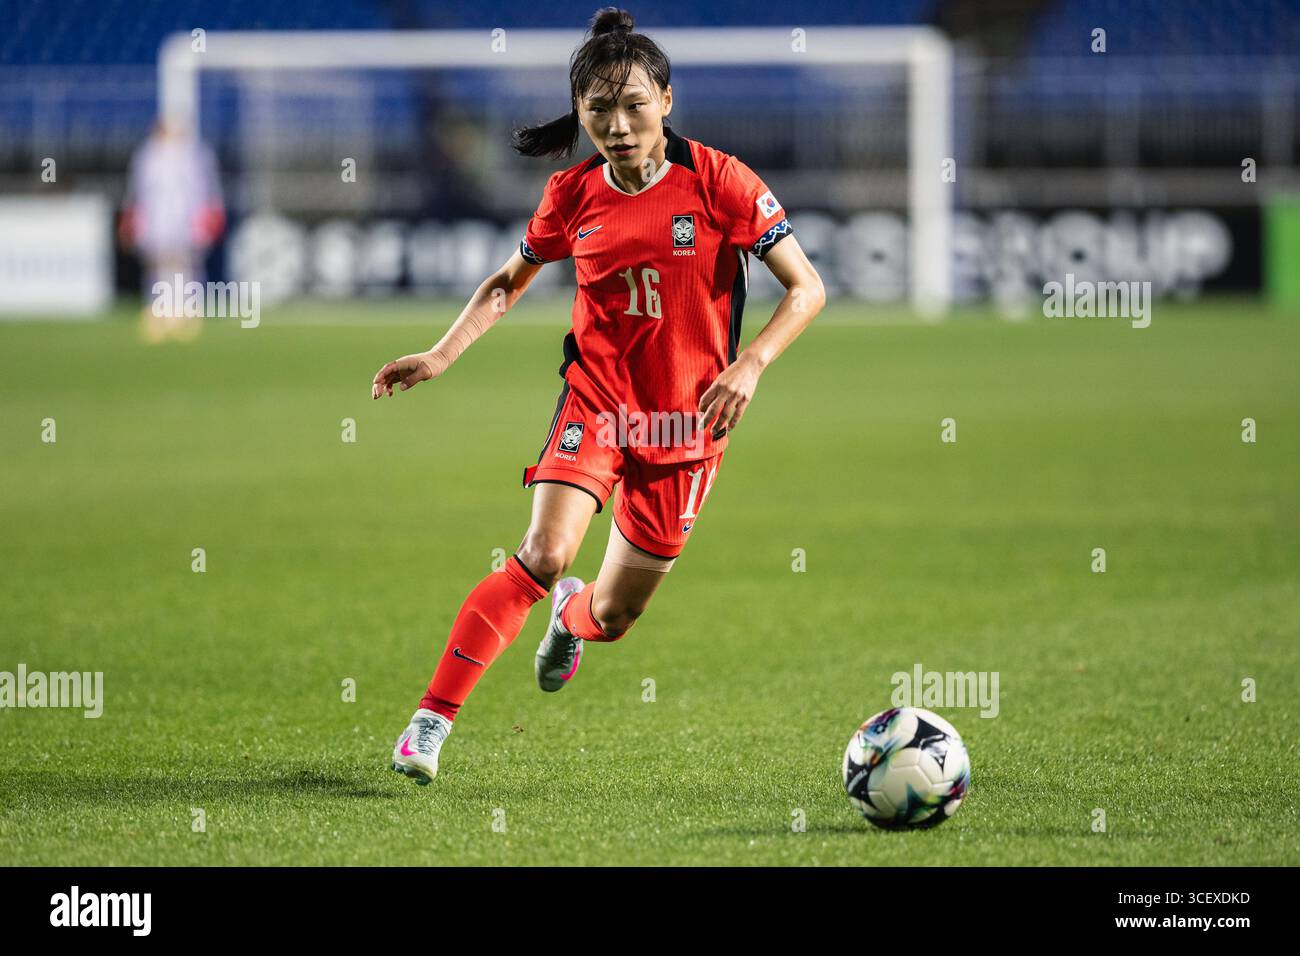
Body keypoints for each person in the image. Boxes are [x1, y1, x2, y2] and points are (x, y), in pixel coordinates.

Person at [373, 7, 826, 785]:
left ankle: (572, 620)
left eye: (634, 106)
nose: (617, 126)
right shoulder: (573, 191)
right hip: (597, 402)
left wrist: (750, 364)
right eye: (599, 110)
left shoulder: (721, 181)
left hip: (690, 421)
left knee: (613, 616)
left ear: (667, 102)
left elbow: (807, 288)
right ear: (579, 112)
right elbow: (506, 283)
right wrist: (443, 354)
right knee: (544, 553)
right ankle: (430, 722)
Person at [119, 120, 225, 343]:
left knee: (185, 263)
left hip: (187, 217)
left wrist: (210, 213)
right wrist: (132, 217)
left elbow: (207, 187)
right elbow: (137, 189)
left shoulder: (194, 155)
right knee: (158, 263)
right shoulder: (148, 155)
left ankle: (187, 309)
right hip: (156, 218)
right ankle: (159, 310)